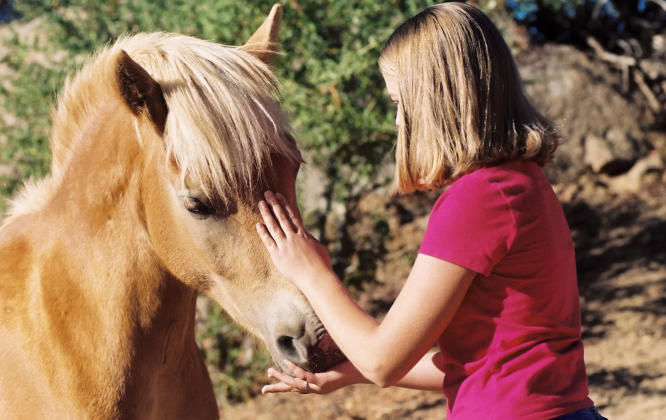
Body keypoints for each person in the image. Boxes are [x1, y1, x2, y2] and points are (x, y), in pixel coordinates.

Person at [255, 3, 606, 419]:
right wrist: (352, 372)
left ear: (438, 102)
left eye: (399, 103)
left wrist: (312, 271)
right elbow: (480, 367)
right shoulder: (522, 184)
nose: (399, 122)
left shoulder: (477, 199)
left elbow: (383, 361)